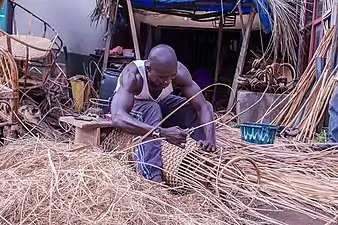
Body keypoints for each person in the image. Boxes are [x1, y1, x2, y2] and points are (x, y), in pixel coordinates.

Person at [110, 44, 216, 183]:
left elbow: (203, 107)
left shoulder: (179, 73)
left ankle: (203, 159)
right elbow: (117, 117)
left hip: (159, 103)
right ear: (148, 69)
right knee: (152, 108)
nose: (167, 82)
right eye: (161, 77)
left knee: (196, 107)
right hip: (131, 107)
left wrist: (210, 139)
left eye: (171, 77)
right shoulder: (133, 76)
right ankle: (152, 176)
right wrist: (162, 133)